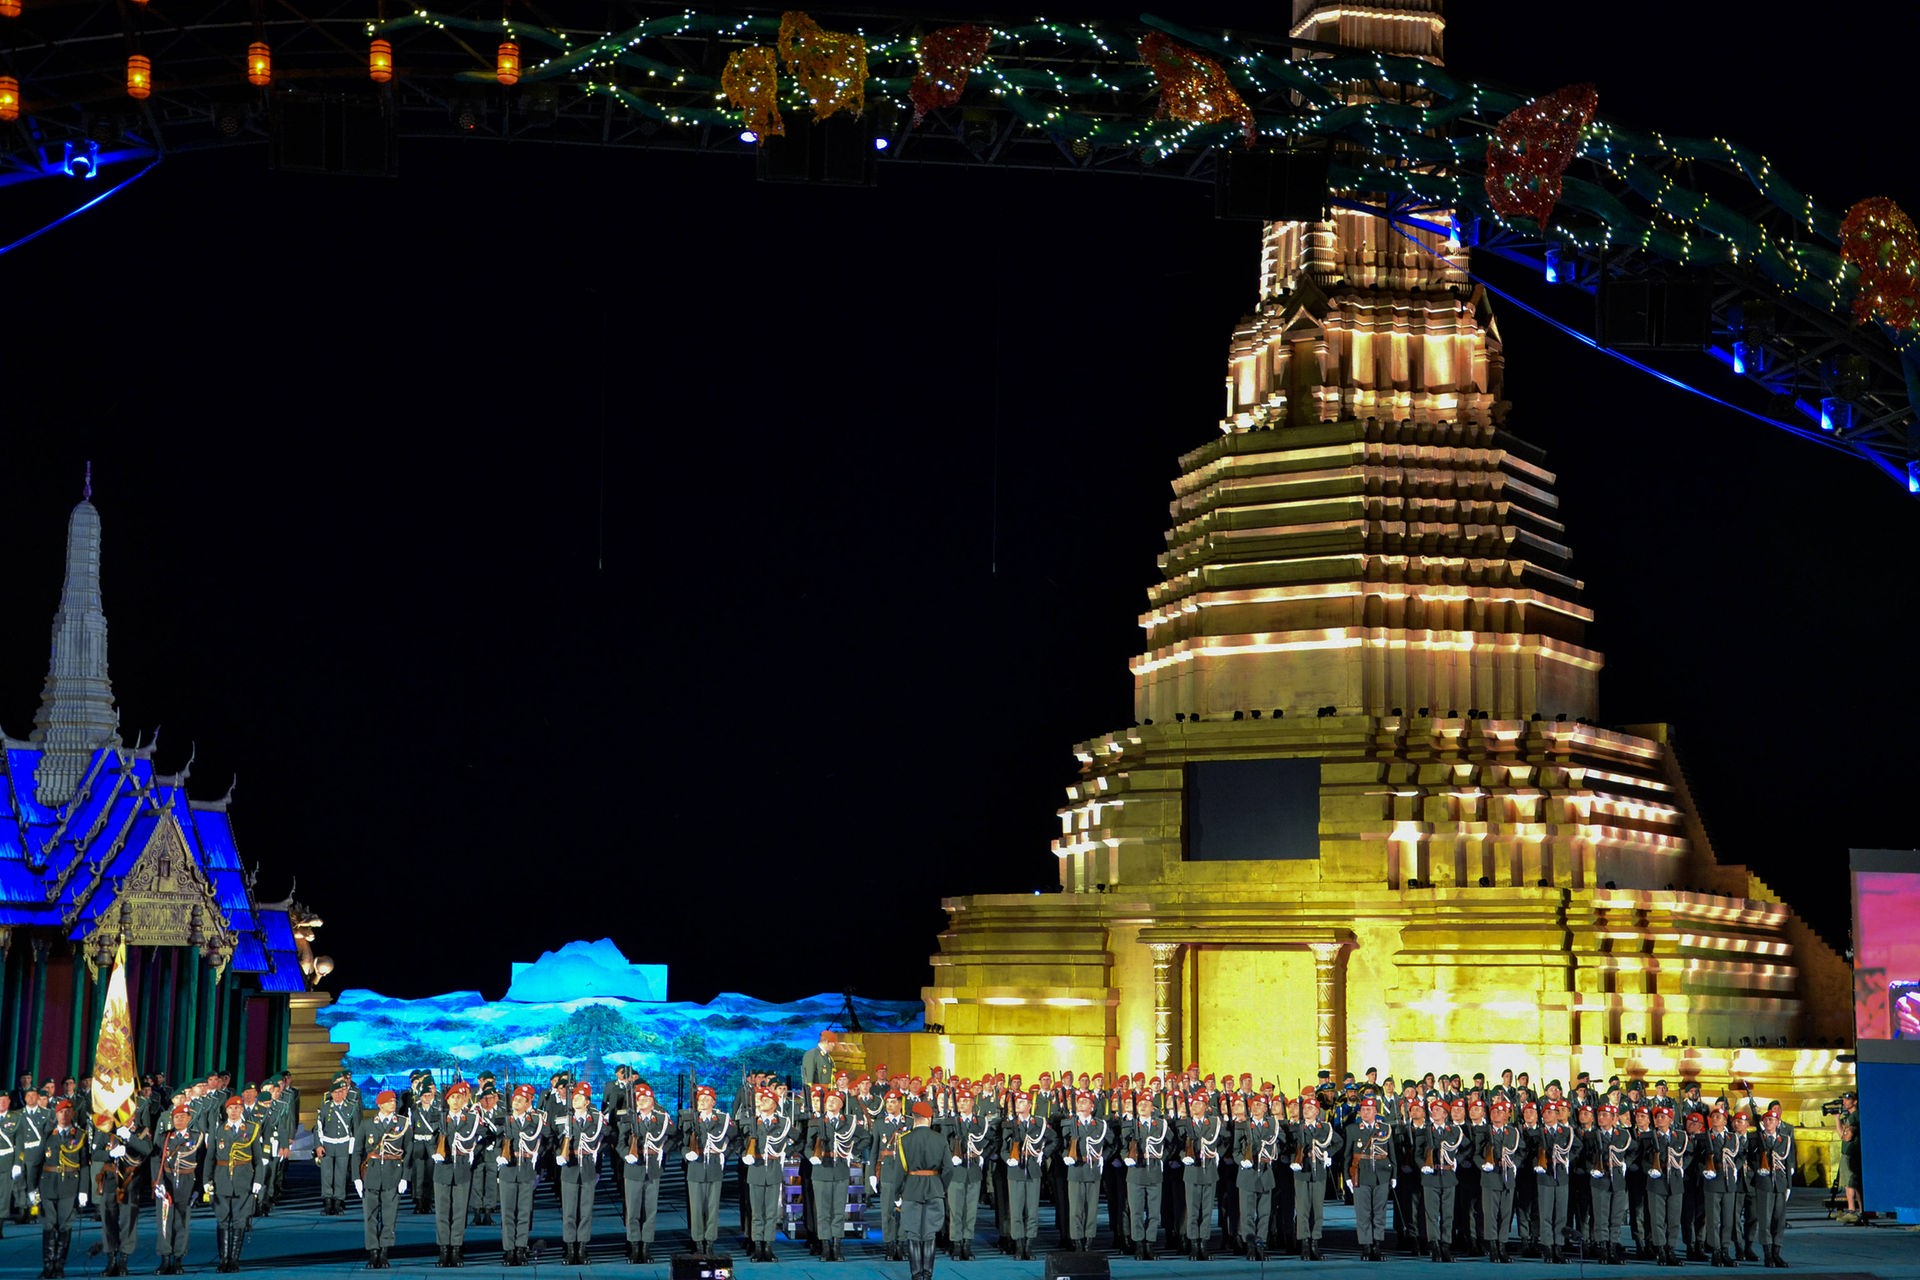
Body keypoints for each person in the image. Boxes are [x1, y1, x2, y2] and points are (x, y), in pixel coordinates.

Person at [616, 1079, 676, 1263]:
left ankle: (647, 1246)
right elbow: (619, 1143)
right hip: (633, 1167)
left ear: (652, 1100)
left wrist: (662, 1152)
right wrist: (627, 1155)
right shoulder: (628, 1119)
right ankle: (634, 1245)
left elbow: (673, 1137)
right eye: (638, 1098)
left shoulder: (662, 1119)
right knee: (633, 1209)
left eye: (645, 1098)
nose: (641, 1100)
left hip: (653, 1167)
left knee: (650, 1209)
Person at [428, 1079, 486, 1267]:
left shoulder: (471, 1119)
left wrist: (473, 1154)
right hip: (443, 1168)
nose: (455, 1101)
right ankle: (443, 1249)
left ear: (464, 1101)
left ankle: (456, 1248)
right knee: (442, 1212)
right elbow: (429, 1140)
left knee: (460, 1212)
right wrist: (434, 1154)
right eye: (452, 1097)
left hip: (461, 1168)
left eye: (459, 1097)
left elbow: (486, 1137)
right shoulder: (439, 1118)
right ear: (447, 1100)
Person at [89, 1113, 153, 1276]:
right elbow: (95, 1153)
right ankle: (111, 1259)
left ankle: (124, 1259)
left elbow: (147, 1149)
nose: (127, 1118)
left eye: (130, 1114)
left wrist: (130, 1137)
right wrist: (110, 1154)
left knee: (128, 1219)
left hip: (130, 1181)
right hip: (110, 1179)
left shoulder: (141, 1131)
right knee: (108, 1218)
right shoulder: (107, 1130)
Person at [355, 1089, 412, 1270]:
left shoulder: (403, 1124)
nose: (393, 1104)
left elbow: (409, 1150)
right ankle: (373, 1251)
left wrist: (405, 1177)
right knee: (370, 1216)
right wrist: (356, 1178)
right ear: (380, 1104)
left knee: (389, 1216)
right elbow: (357, 1153)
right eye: (389, 1101)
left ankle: (384, 1251)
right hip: (371, 1175)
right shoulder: (367, 1125)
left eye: (394, 1101)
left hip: (392, 1174)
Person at [204, 1093, 261, 1273]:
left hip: (243, 1180)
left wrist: (258, 1180)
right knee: (222, 1220)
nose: (234, 1111)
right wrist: (207, 1179)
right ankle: (223, 1259)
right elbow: (210, 1157)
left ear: (242, 1109)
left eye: (237, 1108)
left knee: (239, 1220)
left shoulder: (251, 1130)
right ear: (226, 1110)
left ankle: (234, 1260)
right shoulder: (218, 1130)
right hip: (222, 1180)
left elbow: (258, 1159)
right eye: (230, 1108)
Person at [34, 1099, 89, 1280]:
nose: (64, 1115)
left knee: (65, 1225)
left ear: (72, 1114)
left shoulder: (80, 1136)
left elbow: (83, 1165)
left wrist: (83, 1190)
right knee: (49, 1225)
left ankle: (59, 1265)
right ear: (55, 1114)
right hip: (48, 1185)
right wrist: (32, 1188)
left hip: (69, 1186)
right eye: (61, 1112)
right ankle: (47, 1265)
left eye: (67, 1112)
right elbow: (37, 1161)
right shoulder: (48, 1133)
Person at [494, 1083, 547, 1267]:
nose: (516, 1102)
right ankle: (509, 1249)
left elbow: (546, 1139)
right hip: (508, 1169)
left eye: (520, 1100)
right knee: (507, 1212)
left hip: (526, 1169)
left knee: (524, 1212)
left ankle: (521, 1247)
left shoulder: (536, 1120)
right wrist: (499, 1157)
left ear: (528, 1103)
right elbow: (494, 1143)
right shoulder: (505, 1121)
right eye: (515, 1099)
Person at [554, 1080, 606, 1265]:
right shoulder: (563, 1119)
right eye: (574, 1097)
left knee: (585, 1210)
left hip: (588, 1167)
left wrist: (596, 1155)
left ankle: (582, 1247)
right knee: (568, 1211)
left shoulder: (597, 1119)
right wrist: (558, 1155)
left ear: (587, 1102)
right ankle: (569, 1247)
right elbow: (553, 1141)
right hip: (569, 1167)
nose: (575, 1100)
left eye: (579, 1097)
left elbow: (607, 1138)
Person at [898, 1101, 950, 1280]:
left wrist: (898, 1193)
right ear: (929, 1118)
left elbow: (900, 1170)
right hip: (934, 1187)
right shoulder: (940, 1138)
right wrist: (940, 1186)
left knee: (913, 1233)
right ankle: (927, 1274)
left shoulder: (904, 1139)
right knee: (929, 1234)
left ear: (914, 1118)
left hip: (912, 1188)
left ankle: (916, 1275)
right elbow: (949, 1169)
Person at [153, 1104, 206, 1275]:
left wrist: (199, 1189)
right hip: (167, 1180)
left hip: (187, 1181)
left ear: (189, 1119)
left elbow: (202, 1164)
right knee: (164, 1221)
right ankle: (165, 1258)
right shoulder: (165, 1137)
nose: (179, 1120)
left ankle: (178, 1259)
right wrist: (158, 1183)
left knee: (182, 1221)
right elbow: (156, 1160)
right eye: (176, 1117)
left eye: (183, 1117)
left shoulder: (197, 1137)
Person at [941, 1087, 994, 1259]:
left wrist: (982, 1156)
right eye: (960, 1101)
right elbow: (942, 1143)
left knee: (970, 1210)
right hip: (956, 1171)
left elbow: (994, 1141)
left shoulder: (981, 1122)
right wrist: (950, 1158)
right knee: (955, 1210)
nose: (962, 1104)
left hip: (973, 1171)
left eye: (965, 1100)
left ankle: (967, 1243)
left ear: (972, 1102)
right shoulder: (950, 1122)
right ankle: (956, 1244)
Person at [1001, 1089, 1053, 1262]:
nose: (1018, 1105)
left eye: (1023, 1103)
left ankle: (1029, 1245)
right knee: (1015, 1211)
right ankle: (1018, 1245)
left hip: (1033, 1170)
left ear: (1030, 1105)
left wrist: (1043, 1155)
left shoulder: (1040, 1123)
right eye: (1017, 1103)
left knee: (1032, 1210)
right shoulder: (1010, 1123)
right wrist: (1008, 1159)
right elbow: (1002, 1148)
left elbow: (1054, 1140)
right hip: (1015, 1171)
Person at [809, 1088, 859, 1261]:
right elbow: (807, 1144)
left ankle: (837, 1246)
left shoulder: (849, 1122)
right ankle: (825, 1246)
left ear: (841, 1104)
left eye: (834, 1100)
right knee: (822, 1211)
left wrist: (852, 1152)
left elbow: (866, 1137)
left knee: (838, 1210)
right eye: (828, 1100)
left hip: (840, 1169)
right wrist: (811, 1156)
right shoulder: (816, 1121)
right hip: (821, 1169)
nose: (830, 1102)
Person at [683, 1084, 733, 1256]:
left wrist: (723, 1153)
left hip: (713, 1167)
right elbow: (681, 1143)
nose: (702, 1102)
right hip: (696, 1167)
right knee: (696, 1208)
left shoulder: (722, 1120)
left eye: (706, 1099)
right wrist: (686, 1154)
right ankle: (697, 1241)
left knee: (712, 1208)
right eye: (700, 1099)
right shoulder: (690, 1120)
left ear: (713, 1102)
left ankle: (710, 1241)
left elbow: (734, 1139)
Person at [1175, 1091, 1222, 1259]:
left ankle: (1204, 1243)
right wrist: (1183, 1157)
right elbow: (1178, 1146)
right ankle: (1194, 1243)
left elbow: (1223, 1142)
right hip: (1192, 1172)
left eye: (1199, 1104)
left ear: (1206, 1107)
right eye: (1193, 1103)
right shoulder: (1185, 1125)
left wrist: (1217, 1154)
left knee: (1207, 1210)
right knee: (1193, 1210)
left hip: (1209, 1171)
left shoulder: (1214, 1123)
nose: (1195, 1106)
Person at [1348, 1094, 1394, 1261]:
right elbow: (1347, 1155)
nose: (1366, 1112)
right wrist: (1348, 1176)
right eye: (1364, 1110)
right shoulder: (1353, 1129)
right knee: (1363, 1212)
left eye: (1369, 1109)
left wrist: (1393, 1175)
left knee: (1379, 1212)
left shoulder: (1385, 1129)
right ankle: (1366, 1246)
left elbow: (1392, 1154)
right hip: (1361, 1174)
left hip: (1381, 1174)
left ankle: (1377, 1244)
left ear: (1376, 1111)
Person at [1641, 1105, 1688, 1267]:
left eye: (1662, 1117)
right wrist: (1650, 1169)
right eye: (1657, 1117)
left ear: (1670, 1120)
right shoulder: (1648, 1137)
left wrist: (1681, 1167)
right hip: (1656, 1182)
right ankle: (1660, 1249)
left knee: (1674, 1219)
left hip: (1675, 1182)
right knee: (1657, 1218)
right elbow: (1642, 1159)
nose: (1659, 1120)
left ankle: (1671, 1249)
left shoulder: (1680, 1136)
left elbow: (1688, 1153)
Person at [1230, 1091, 1275, 1260]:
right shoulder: (1243, 1125)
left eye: (1260, 1105)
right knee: (1247, 1213)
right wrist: (1241, 1161)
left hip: (1265, 1173)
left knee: (1264, 1213)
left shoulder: (1272, 1126)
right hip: (1247, 1174)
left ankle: (1261, 1244)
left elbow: (1279, 1143)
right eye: (1254, 1104)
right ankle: (1249, 1244)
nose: (1256, 1107)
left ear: (1265, 1108)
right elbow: (1235, 1151)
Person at [1587, 1103, 1634, 1264]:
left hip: (1618, 1181)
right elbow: (1584, 1155)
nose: (1601, 1118)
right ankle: (1603, 1248)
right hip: (1600, 1181)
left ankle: (1613, 1247)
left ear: (1614, 1118)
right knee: (1601, 1216)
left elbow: (1634, 1151)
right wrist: (1593, 1168)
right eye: (1599, 1115)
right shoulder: (1592, 1135)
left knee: (1616, 1217)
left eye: (1605, 1115)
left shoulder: (1623, 1136)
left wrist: (1623, 1164)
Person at [1753, 1106, 1793, 1267]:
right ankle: (1767, 1253)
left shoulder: (1785, 1140)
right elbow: (1751, 1160)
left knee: (1779, 1219)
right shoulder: (1756, 1139)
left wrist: (1788, 1185)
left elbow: (1788, 1163)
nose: (1769, 1122)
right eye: (1767, 1120)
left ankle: (1777, 1252)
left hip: (1780, 1184)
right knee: (1765, 1219)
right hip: (1765, 1183)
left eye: (1772, 1120)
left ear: (1778, 1123)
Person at [315, 1078, 357, 1216]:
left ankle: (339, 1202)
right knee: (326, 1174)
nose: (338, 1095)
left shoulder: (351, 1107)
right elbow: (318, 1128)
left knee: (341, 1174)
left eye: (340, 1092)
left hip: (344, 1145)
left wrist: (354, 1147)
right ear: (331, 1094)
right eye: (335, 1092)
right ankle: (327, 1202)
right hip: (328, 1144)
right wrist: (318, 1146)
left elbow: (355, 1128)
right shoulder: (326, 1107)